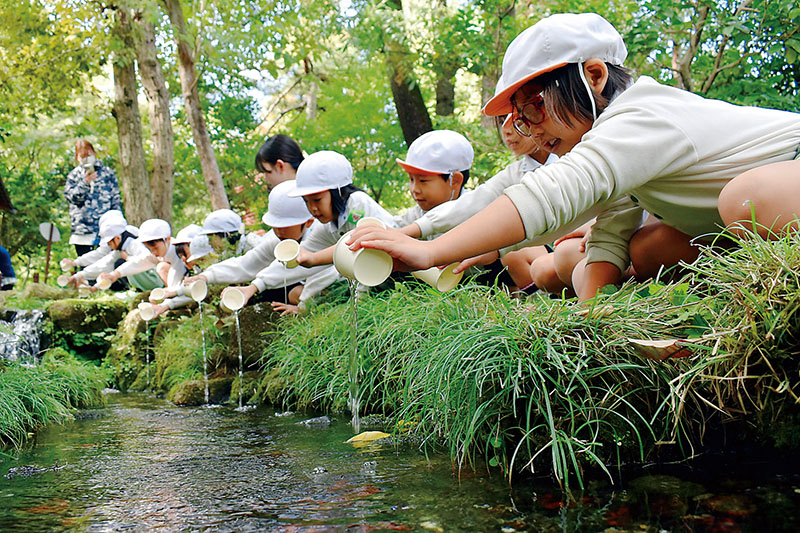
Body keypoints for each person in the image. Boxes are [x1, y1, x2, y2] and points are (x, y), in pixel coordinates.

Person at [348, 12, 800, 301]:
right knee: (646, 248)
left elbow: (554, 194)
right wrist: (592, 316)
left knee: (746, 197)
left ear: (595, 76)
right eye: (521, 118)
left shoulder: (643, 114)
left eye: (535, 107)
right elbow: (611, 231)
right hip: (749, 217)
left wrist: (430, 251)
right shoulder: (624, 157)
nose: (532, 129)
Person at [210, 181, 341, 316]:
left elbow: (325, 271)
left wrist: (302, 307)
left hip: (335, 284)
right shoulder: (278, 239)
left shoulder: (320, 234)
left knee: (296, 293)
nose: (278, 231)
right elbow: (247, 263)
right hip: (303, 287)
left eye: (285, 226)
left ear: (308, 221)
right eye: (275, 225)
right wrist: (206, 276)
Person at [291, 151, 396, 269]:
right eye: (306, 201)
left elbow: (358, 243)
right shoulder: (329, 224)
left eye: (317, 200)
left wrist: (314, 259)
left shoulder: (357, 205)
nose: (312, 208)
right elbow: (304, 251)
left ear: (338, 193)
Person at [66, 215, 160, 291]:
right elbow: (105, 264)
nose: (109, 245)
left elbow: (146, 260)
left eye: (109, 242)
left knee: (121, 263)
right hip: (147, 280)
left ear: (117, 238)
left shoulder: (133, 244)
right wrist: (79, 276)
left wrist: (127, 258)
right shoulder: (122, 247)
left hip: (155, 281)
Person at [63, 140, 122, 256]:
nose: (87, 159)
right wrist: (85, 182)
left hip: (106, 229)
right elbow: (73, 198)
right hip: (83, 230)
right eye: (82, 156)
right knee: (86, 265)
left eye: (89, 155)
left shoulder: (107, 173)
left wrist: (118, 224)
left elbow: (115, 200)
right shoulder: (74, 175)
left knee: (108, 263)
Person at [98, 219, 186, 291]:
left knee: (162, 268)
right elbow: (140, 262)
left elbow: (176, 285)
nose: (153, 252)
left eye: (155, 248)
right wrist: (115, 275)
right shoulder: (161, 252)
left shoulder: (178, 252)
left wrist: (169, 296)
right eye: (149, 249)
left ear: (167, 239)